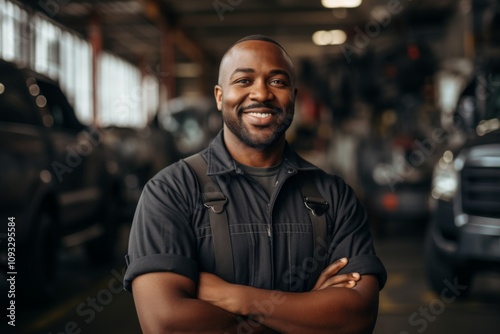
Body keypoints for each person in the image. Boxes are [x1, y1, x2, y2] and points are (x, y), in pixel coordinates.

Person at [124, 34, 387, 333]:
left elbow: (356, 318)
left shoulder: (335, 196)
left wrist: (236, 298)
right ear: (220, 96)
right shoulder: (170, 192)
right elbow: (166, 324)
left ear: (294, 97)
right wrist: (306, 311)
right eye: (244, 81)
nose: (261, 94)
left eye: (277, 82)